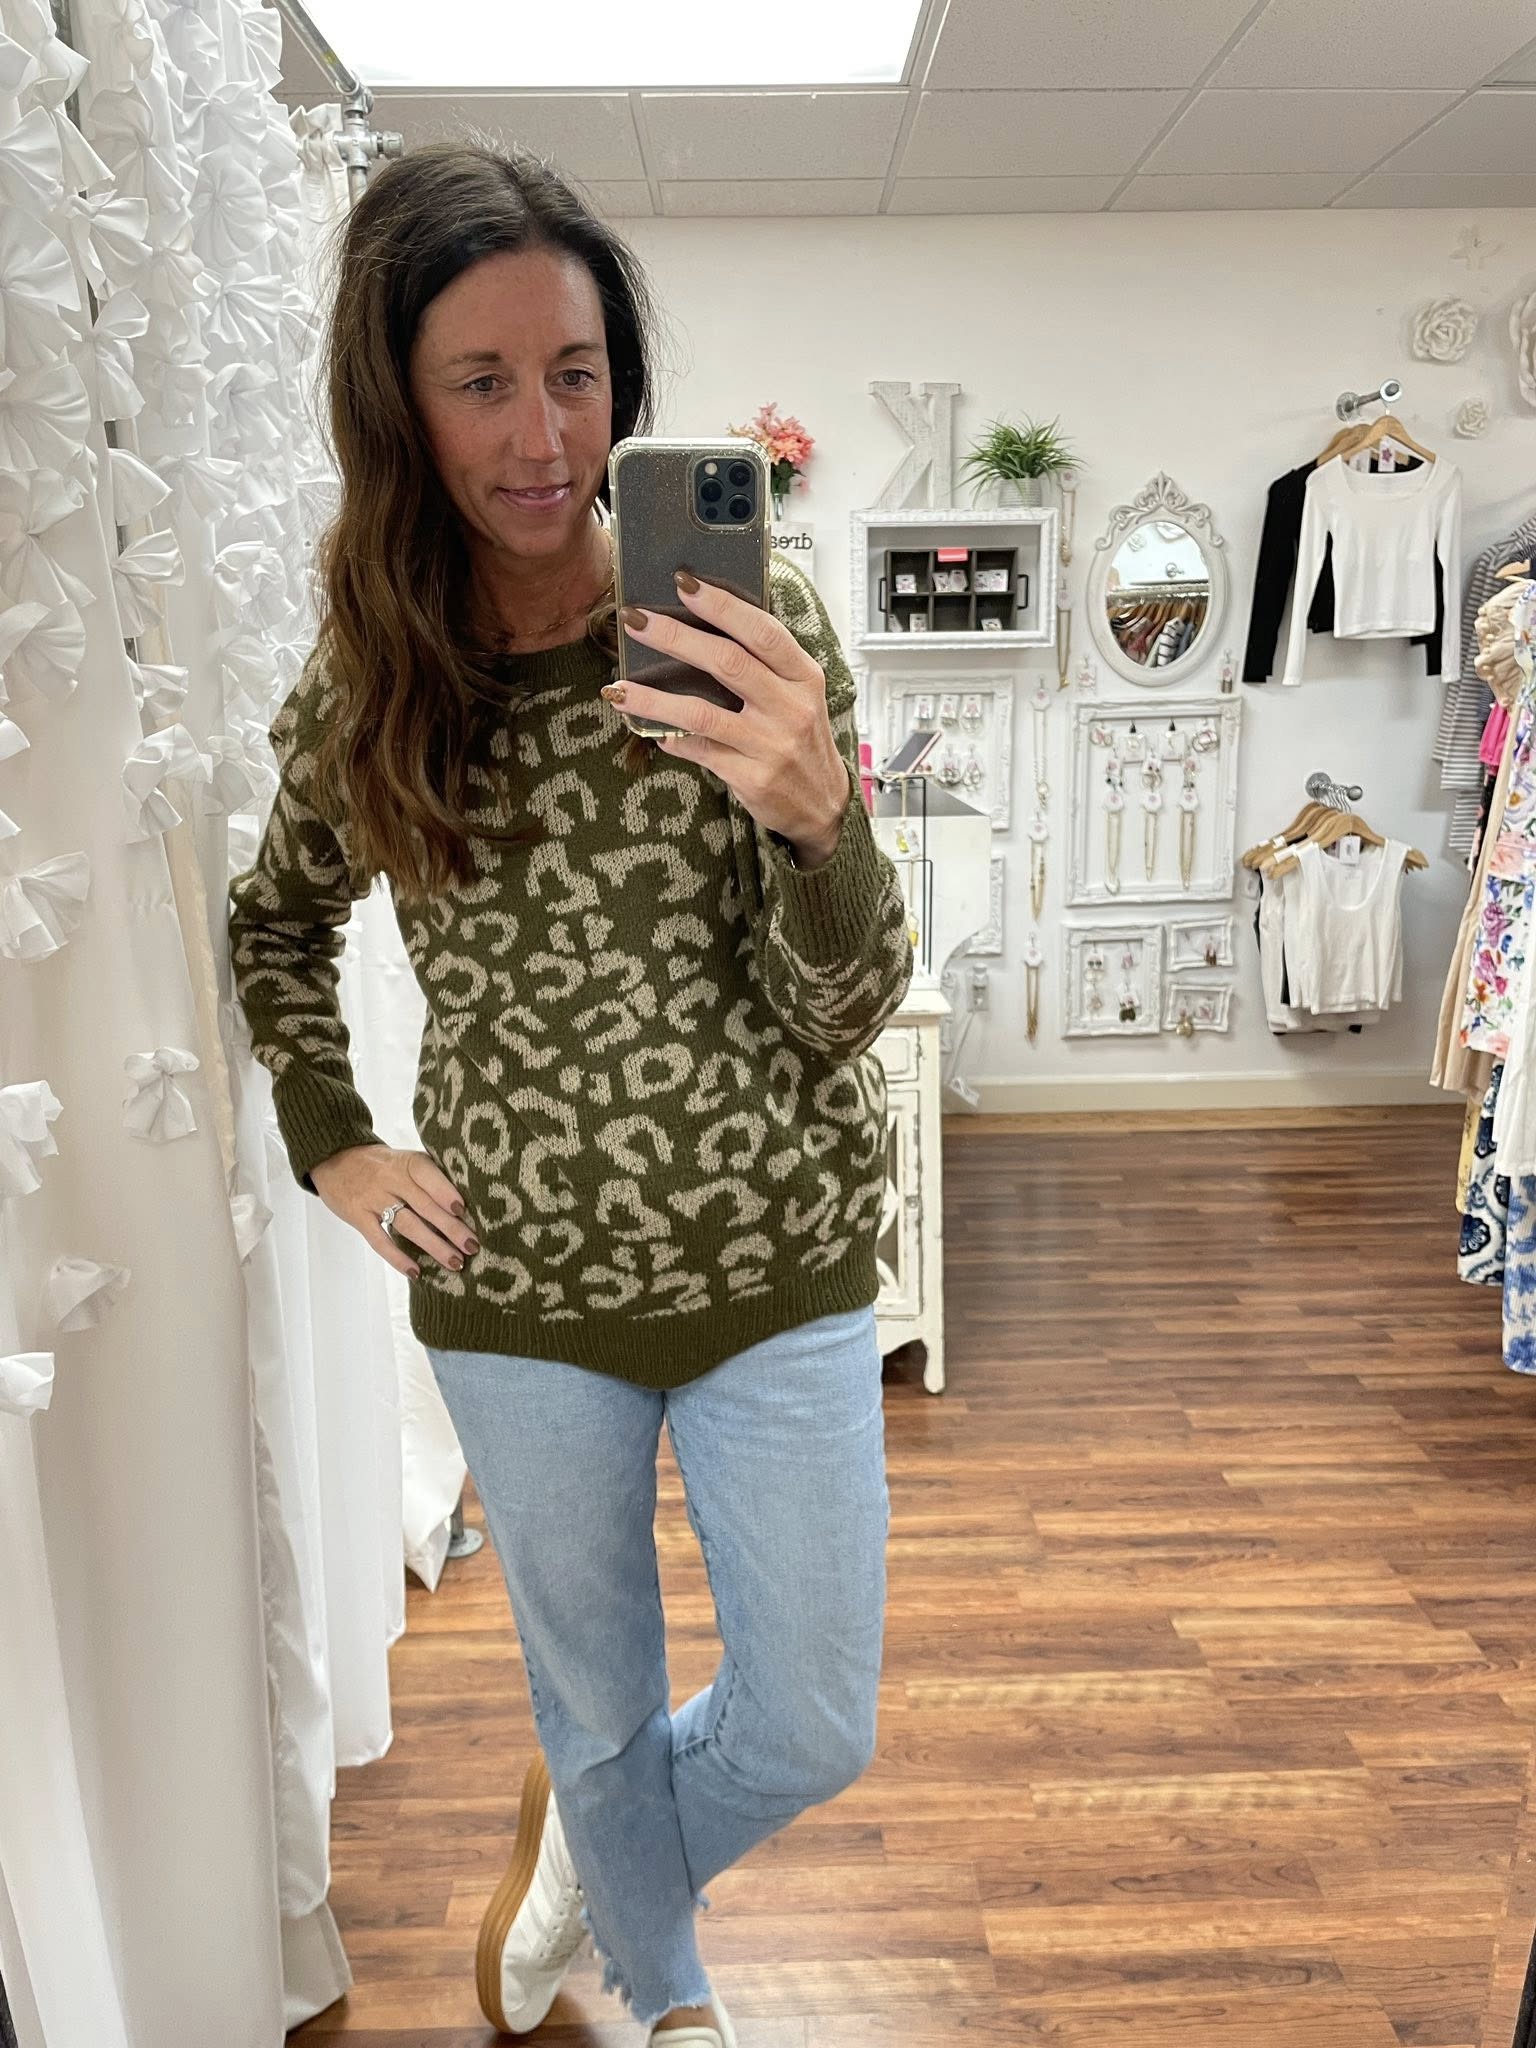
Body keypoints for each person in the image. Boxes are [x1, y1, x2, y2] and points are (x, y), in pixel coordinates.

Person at [228, 141, 913, 2045]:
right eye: (483, 381)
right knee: (595, 1708)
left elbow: (852, 1001)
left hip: (778, 1259)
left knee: (810, 1718)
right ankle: (670, 1998)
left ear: (625, 382)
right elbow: (273, 921)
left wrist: (814, 816)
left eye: (580, 374)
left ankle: (592, 1862)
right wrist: (335, 1143)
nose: (543, 434)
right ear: (400, 400)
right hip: (520, 1298)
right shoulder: (375, 673)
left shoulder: (748, 641)